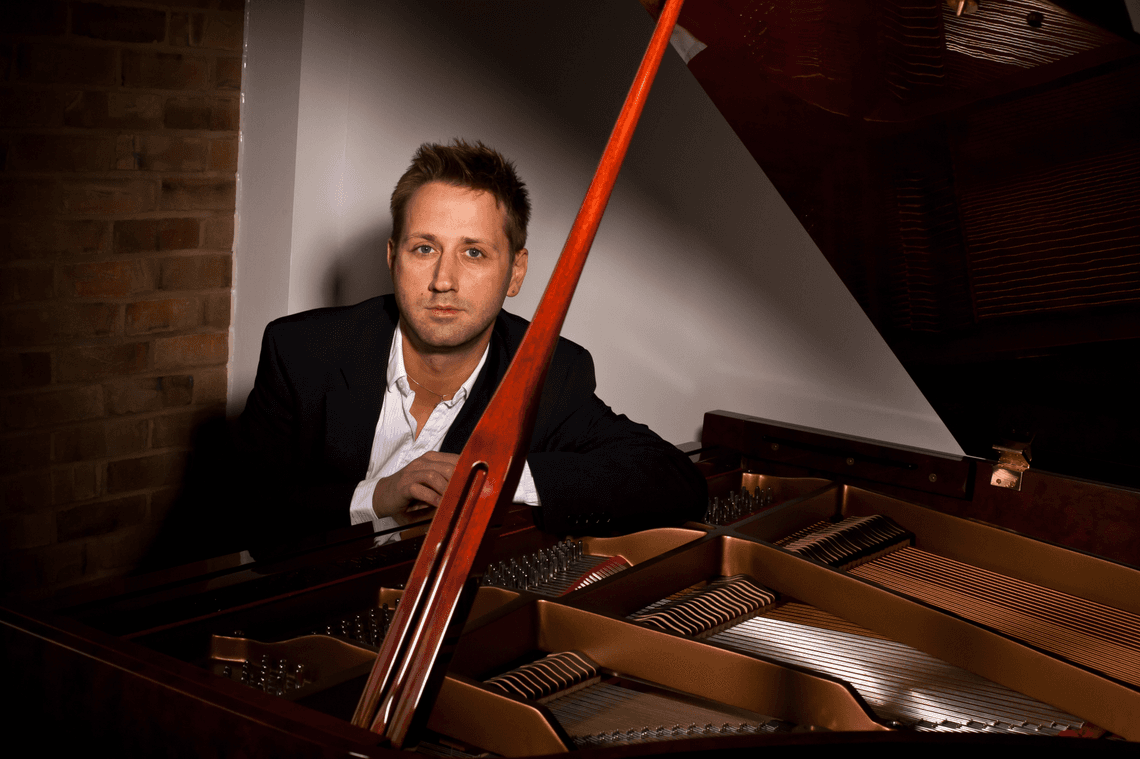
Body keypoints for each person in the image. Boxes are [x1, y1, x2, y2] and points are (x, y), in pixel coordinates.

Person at [235, 140, 705, 549]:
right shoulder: (302, 351)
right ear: (392, 257)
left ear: (515, 273)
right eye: (424, 248)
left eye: (474, 253)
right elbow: (238, 510)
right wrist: (377, 496)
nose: (444, 280)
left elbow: (672, 479)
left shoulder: (549, 371)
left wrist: (493, 477)